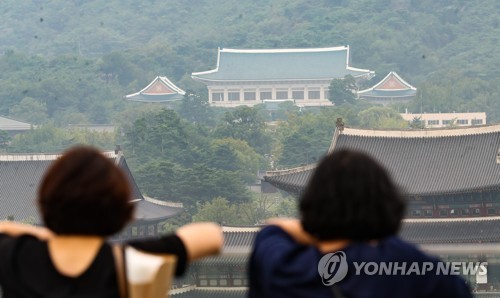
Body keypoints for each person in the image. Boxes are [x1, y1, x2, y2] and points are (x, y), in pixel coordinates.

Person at [0, 146, 223, 298]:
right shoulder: (128, 263)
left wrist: (44, 236)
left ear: (45, 202)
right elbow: (211, 235)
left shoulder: (16, 255)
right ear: (120, 212)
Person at [249, 149, 472, 298]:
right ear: (387, 205)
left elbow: (274, 230)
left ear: (311, 203)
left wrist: (319, 226)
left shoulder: (282, 267)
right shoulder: (412, 269)